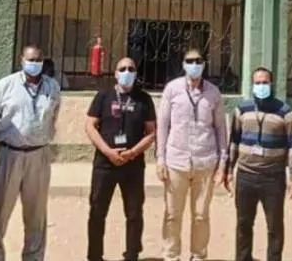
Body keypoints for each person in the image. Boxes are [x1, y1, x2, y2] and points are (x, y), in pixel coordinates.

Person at [0, 45, 62, 261]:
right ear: (21, 60)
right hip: (9, 154)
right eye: (30, 59)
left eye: (38, 59)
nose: (34, 63)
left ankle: (33, 257)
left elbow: (54, 117)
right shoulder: (5, 85)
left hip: (39, 155)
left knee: (36, 214)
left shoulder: (52, 87)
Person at [156, 47, 228, 261]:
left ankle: (198, 255)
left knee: (201, 215)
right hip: (176, 162)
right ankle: (171, 255)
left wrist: (222, 163)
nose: (194, 65)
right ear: (183, 64)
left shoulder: (213, 93)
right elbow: (163, 125)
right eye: (190, 61)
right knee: (172, 214)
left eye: (198, 61)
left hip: (205, 162)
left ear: (204, 65)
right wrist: (160, 158)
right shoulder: (172, 89)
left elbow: (220, 129)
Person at [84, 56, 157, 261]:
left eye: (131, 69)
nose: (127, 72)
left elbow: (151, 132)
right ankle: (94, 255)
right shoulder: (103, 96)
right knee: (97, 211)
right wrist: (108, 151)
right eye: (122, 69)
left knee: (134, 212)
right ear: (115, 74)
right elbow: (90, 125)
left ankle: (132, 254)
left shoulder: (144, 99)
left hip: (133, 165)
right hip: (104, 163)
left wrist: (133, 152)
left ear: (136, 73)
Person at [225, 67, 292, 261]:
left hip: (273, 178)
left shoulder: (285, 113)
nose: (261, 86)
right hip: (246, 176)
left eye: (265, 82)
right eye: (257, 83)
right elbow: (233, 142)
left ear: (271, 84)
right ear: (252, 85)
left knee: (274, 226)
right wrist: (229, 171)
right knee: (243, 223)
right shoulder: (241, 110)